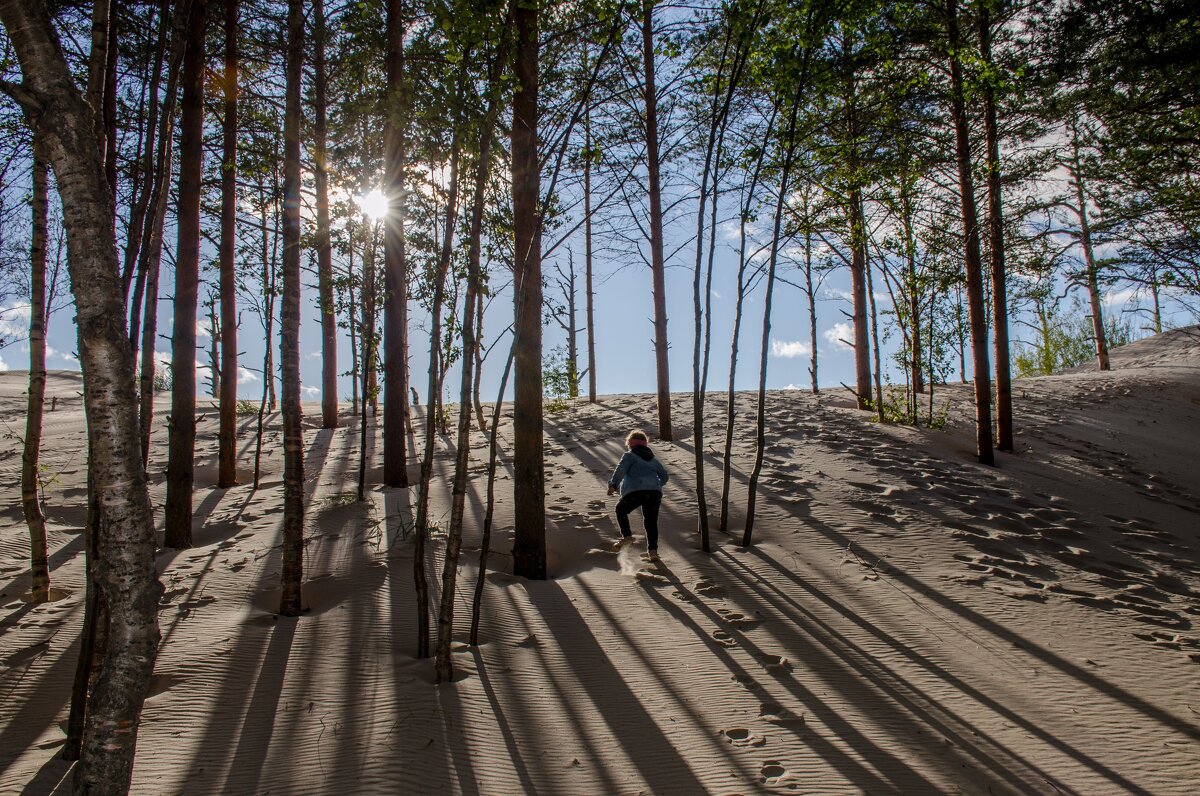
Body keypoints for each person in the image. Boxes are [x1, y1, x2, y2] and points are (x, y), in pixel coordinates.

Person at [607, 429, 669, 561]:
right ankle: (653, 552)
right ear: (645, 444)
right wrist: (656, 485)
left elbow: (621, 469)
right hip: (654, 493)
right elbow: (664, 476)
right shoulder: (653, 460)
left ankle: (627, 537)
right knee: (651, 522)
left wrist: (613, 484)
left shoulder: (630, 456)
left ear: (630, 444)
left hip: (636, 491)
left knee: (620, 509)